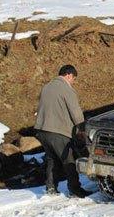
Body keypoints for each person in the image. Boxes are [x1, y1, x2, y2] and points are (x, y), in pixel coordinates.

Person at [34, 65, 92, 198]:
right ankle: (75, 190)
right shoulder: (66, 89)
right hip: (58, 131)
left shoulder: (46, 87)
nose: (73, 82)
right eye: (74, 79)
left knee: (51, 159)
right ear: (69, 75)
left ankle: (50, 187)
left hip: (42, 130)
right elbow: (75, 110)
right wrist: (81, 127)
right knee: (68, 160)